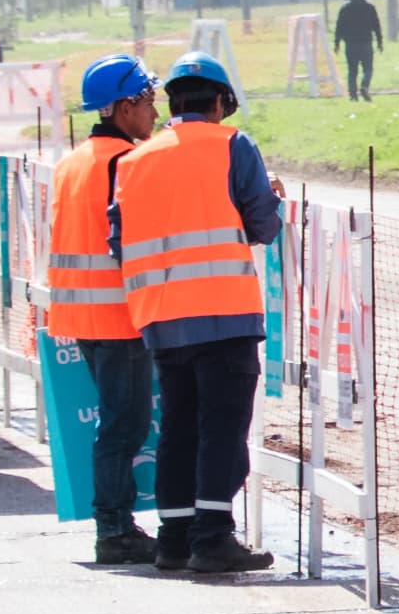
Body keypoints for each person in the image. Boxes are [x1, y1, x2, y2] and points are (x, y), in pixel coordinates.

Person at [111, 50, 283, 574]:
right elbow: (264, 225)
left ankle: (174, 537)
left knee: (179, 428)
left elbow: (118, 240)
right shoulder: (233, 145)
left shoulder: (133, 161)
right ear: (218, 104)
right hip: (224, 314)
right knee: (222, 429)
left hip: (162, 319)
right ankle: (212, 537)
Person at [49, 57, 162, 566]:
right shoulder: (125, 163)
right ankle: (114, 530)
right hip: (120, 316)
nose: (154, 110)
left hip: (82, 317)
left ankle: (116, 526)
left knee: (117, 423)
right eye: (146, 100)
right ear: (121, 107)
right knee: (123, 427)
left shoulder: (73, 161)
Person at [333, 0, 383, 101]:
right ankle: (364, 86)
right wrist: (380, 42)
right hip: (366, 43)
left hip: (351, 45)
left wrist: (337, 44)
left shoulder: (345, 9)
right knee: (368, 68)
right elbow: (376, 26)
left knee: (352, 71)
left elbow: (339, 28)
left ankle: (353, 95)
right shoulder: (369, 7)